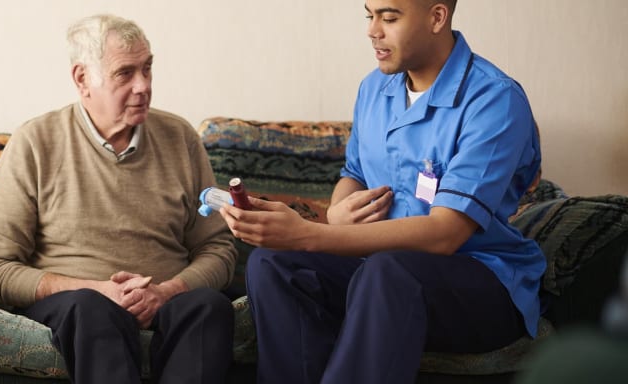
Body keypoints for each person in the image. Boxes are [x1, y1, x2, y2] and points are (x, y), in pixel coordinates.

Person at [219, 0, 544, 383]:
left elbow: (446, 233)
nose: (373, 30)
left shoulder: (494, 100)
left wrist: (313, 233)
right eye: (369, 15)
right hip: (378, 276)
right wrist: (338, 211)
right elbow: (354, 172)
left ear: (437, 17)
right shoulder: (374, 88)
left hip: (482, 287)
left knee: (388, 270)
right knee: (273, 263)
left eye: (389, 17)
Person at [0, 14, 237, 384]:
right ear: (82, 79)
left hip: (167, 298)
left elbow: (218, 249)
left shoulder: (180, 138)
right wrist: (94, 288)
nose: (143, 85)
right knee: (92, 308)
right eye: (125, 74)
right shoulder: (35, 142)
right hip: (76, 305)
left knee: (209, 306)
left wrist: (167, 291)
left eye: (147, 69)